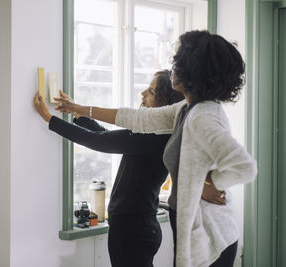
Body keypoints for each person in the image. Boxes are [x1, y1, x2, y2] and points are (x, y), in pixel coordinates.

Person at [53, 31, 257, 267]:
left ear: (195, 72)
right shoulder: (185, 108)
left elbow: (244, 167)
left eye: (179, 62)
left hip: (212, 240)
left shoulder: (203, 116)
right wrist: (78, 108)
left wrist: (209, 181)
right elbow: (137, 118)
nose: (173, 67)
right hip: (192, 232)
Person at [34, 70, 224, 267]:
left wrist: (49, 119)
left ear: (165, 102)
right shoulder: (153, 134)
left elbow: (99, 141)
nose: (143, 94)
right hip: (136, 229)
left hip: (134, 232)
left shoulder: (156, 137)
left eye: (150, 91)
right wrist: (77, 113)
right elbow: (106, 137)